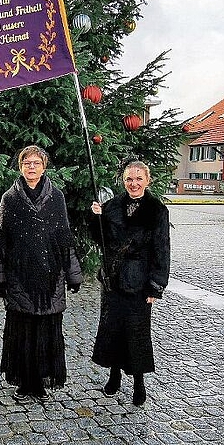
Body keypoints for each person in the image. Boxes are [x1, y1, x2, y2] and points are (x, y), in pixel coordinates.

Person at [0, 145, 82, 403]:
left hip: (50, 276)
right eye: (26, 163)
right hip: (19, 276)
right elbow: (1, 240)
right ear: (20, 167)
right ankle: (24, 381)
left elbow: (65, 237)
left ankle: (41, 380)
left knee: (45, 331)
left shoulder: (57, 198)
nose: (31, 167)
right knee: (22, 332)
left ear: (44, 167)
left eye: (36, 163)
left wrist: (73, 274)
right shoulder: (9, 199)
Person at [89, 159, 170, 406]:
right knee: (113, 330)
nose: (133, 183)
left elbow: (162, 249)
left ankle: (138, 383)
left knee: (136, 334)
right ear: (123, 181)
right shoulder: (111, 206)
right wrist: (96, 218)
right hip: (113, 279)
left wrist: (156, 285)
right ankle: (114, 376)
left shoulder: (156, 210)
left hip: (139, 281)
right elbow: (99, 239)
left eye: (138, 178)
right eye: (128, 179)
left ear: (147, 180)